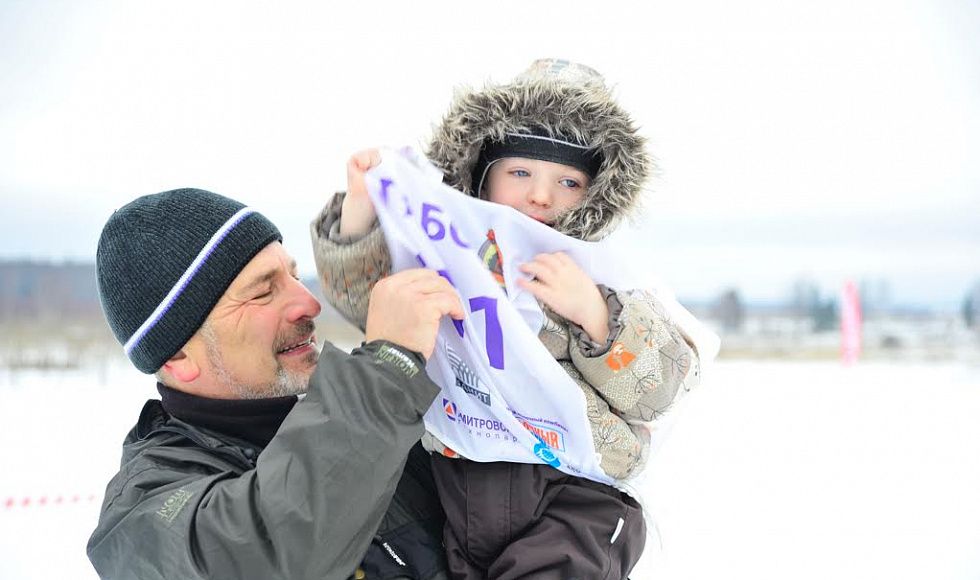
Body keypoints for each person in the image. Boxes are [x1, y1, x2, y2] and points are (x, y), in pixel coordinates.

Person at [311, 59, 705, 579]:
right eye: (520, 172)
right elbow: (371, 300)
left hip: (574, 496)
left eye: (568, 181)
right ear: (481, 174)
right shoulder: (451, 257)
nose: (541, 195)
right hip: (458, 480)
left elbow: (662, 388)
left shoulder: (602, 277)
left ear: (597, 192)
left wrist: (597, 317)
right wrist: (363, 207)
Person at [86, 187, 464, 580]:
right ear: (179, 358)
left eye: (295, 277)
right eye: (264, 291)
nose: (309, 303)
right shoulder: (140, 518)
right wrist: (388, 365)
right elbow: (264, 555)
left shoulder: (376, 421)